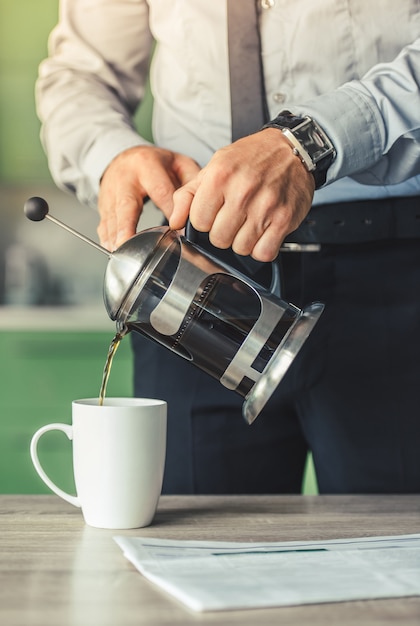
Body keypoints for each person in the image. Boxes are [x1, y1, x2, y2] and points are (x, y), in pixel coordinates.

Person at [36, 1, 420, 494]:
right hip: (193, 281)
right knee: (189, 547)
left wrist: (311, 142)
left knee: (398, 549)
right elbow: (80, 73)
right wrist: (112, 157)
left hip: (393, 275)